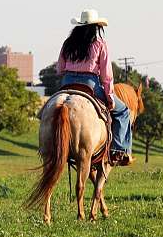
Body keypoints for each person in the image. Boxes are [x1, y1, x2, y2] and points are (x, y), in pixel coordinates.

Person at [56, 9, 133, 165]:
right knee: (123, 111)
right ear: (96, 27)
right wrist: (110, 97)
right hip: (90, 83)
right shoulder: (100, 44)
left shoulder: (68, 43)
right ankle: (118, 150)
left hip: (67, 82)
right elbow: (106, 75)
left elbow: (60, 69)